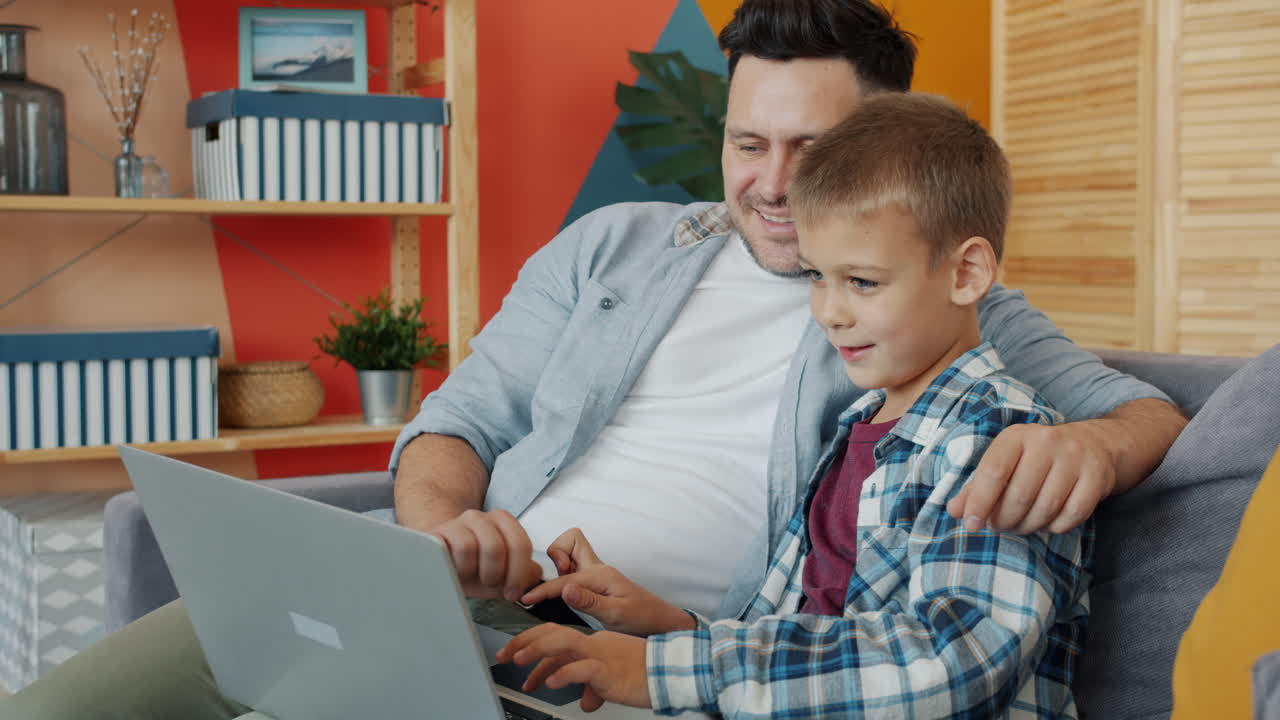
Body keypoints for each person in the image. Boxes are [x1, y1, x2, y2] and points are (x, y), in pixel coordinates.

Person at [6, 1, 1183, 717]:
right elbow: (459, 419)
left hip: (649, 657)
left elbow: (1144, 415)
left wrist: (1076, 443)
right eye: (746, 142)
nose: (771, 184)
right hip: (456, 590)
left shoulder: (930, 314)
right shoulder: (614, 246)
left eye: (810, 149)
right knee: (76, 704)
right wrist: (442, 528)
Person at [496, 91, 1090, 719]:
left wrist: (666, 670)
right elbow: (800, 631)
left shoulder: (998, 438)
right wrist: (670, 627)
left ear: (966, 274)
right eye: (816, 276)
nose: (830, 312)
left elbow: (956, 663)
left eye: (862, 282)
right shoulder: (859, 423)